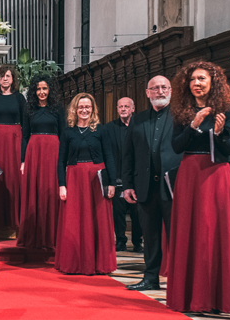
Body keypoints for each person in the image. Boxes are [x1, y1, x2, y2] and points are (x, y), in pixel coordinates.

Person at [166, 61, 230, 314]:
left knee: (215, 229)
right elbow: (176, 147)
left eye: (202, 79)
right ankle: (188, 296)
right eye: (193, 79)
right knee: (190, 229)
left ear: (213, 82)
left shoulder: (226, 110)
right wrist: (194, 125)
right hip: (190, 173)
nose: (197, 83)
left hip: (217, 173)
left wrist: (220, 134)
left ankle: (219, 297)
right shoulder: (182, 109)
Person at [121, 76, 181, 291]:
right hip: (145, 187)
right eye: (155, 88)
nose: (160, 91)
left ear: (171, 91)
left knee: (177, 236)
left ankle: (178, 279)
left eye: (164, 87)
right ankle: (150, 277)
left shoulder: (180, 116)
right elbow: (128, 154)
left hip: (172, 187)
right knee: (150, 235)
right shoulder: (138, 119)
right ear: (147, 93)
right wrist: (127, 185)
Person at [56, 93, 117, 275]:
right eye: (81, 107)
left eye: (87, 107)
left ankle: (99, 263)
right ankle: (73, 263)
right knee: (74, 220)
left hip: (96, 179)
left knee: (98, 219)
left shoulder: (101, 130)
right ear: (75, 109)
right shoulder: (68, 132)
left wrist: (112, 183)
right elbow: (61, 161)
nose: (84, 110)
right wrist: (62, 184)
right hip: (74, 178)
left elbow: (109, 157)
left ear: (93, 109)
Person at [18, 76, 64, 251]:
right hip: (34, 152)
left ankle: (52, 236)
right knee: (34, 192)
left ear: (50, 90)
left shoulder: (58, 109)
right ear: (33, 91)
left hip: (53, 152)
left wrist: (64, 160)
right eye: (38, 89)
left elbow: (63, 134)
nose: (41, 92)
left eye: (44, 88)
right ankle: (34, 235)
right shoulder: (29, 108)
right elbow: (24, 136)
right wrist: (23, 160)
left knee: (51, 191)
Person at [0, 64, 28, 235]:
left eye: (8, 76)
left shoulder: (19, 98)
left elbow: (25, 125)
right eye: (2, 76)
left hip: (14, 142)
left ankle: (14, 221)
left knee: (12, 179)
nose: (5, 79)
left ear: (13, 79)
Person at [104, 97, 143, 253]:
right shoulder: (109, 128)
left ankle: (137, 242)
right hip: (117, 176)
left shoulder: (140, 127)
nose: (123, 109)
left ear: (133, 109)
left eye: (126, 106)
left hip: (136, 178)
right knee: (118, 212)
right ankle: (120, 240)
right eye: (120, 106)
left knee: (137, 213)